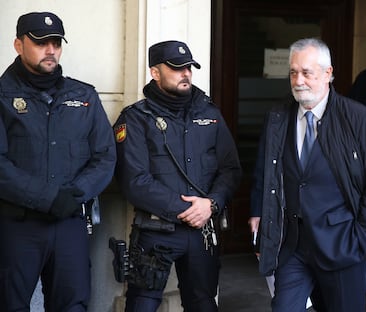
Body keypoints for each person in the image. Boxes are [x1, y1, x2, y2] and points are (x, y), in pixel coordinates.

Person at [248, 38, 366, 312]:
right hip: (291, 245)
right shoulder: (277, 116)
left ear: (328, 74)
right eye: (293, 72)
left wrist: (361, 238)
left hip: (342, 244)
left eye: (307, 72)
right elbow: (264, 172)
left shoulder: (357, 118)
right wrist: (261, 218)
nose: (298, 80)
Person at [113, 40, 242, 312]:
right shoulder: (136, 118)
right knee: (141, 305)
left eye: (189, 68)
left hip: (202, 232)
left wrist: (211, 204)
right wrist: (189, 210)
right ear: (155, 72)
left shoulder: (210, 113)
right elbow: (134, 181)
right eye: (176, 68)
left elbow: (230, 169)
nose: (185, 73)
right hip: (155, 231)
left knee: (203, 304)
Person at [0, 12, 116, 311]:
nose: (50, 49)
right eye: (40, 42)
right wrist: (49, 198)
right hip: (17, 225)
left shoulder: (84, 95)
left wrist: (75, 194)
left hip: (69, 223)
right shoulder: (2, 96)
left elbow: (104, 156)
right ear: (18, 44)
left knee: (72, 304)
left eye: (56, 42)